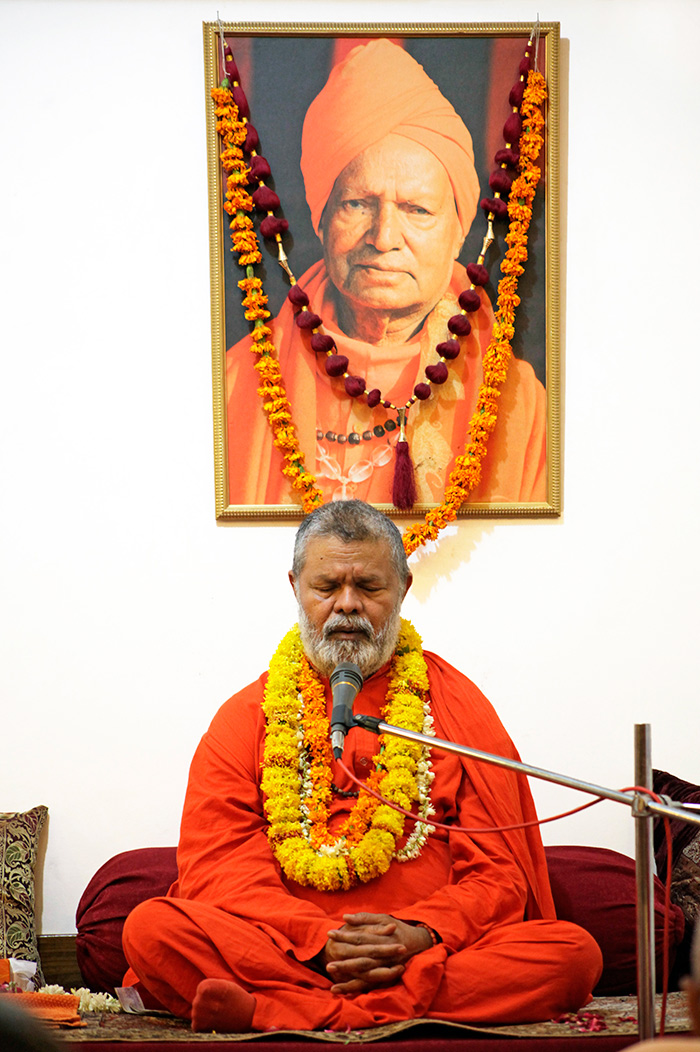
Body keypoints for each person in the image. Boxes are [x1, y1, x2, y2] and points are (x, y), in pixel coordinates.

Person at [122, 499, 601, 1033]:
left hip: (423, 951)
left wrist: (416, 932)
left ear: (403, 588)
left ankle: (278, 1011)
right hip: (289, 951)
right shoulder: (246, 717)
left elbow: (497, 874)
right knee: (152, 929)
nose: (347, 605)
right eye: (326, 587)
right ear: (295, 587)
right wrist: (319, 941)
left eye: (369, 587)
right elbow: (220, 868)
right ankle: (394, 1007)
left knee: (572, 954)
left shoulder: (456, 710)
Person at [226, 39, 547, 507]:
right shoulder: (238, 383)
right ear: (321, 219)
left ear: (459, 232)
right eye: (358, 204)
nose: (384, 237)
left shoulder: (522, 408)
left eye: (417, 210)